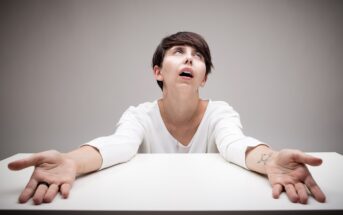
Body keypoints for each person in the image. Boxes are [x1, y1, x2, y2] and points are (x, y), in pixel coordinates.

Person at [8, 31, 326, 205]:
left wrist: (270, 160)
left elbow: (236, 144)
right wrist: (70, 162)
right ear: (158, 72)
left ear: (203, 78)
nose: (190, 57)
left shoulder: (220, 112)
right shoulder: (139, 115)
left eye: (198, 56)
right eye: (178, 52)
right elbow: (117, 145)